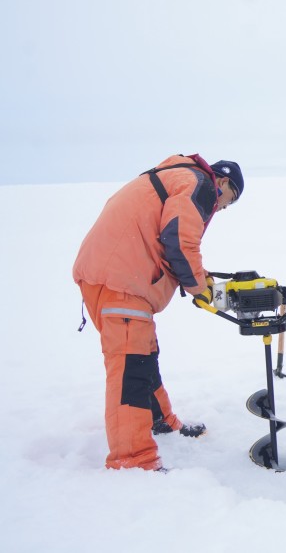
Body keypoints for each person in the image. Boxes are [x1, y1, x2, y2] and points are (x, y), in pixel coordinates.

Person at [73, 154, 244, 470]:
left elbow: (171, 242)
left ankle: (159, 420)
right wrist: (202, 289)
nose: (220, 208)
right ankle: (133, 459)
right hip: (120, 281)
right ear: (222, 182)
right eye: (227, 201)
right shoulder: (199, 185)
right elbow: (178, 241)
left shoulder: (180, 178)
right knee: (131, 369)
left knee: (144, 354)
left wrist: (202, 283)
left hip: (119, 278)